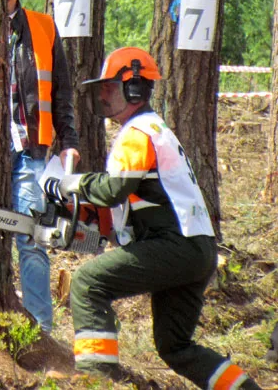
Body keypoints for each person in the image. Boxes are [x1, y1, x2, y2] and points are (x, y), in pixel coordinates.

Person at [45, 47, 261, 389]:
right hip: (196, 248)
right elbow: (128, 205)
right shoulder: (154, 131)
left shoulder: (139, 132)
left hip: (175, 245)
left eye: (108, 86)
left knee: (87, 283)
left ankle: (97, 379)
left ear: (133, 88)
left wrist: (71, 183)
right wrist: (83, 216)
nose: (101, 93)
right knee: (175, 346)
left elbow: (114, 189)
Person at [4, 0, 80, 333]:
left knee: (31, 236)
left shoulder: (43, 27)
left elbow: (62, 91)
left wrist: (69, 141)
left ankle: (40, 328)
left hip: (31, 148)